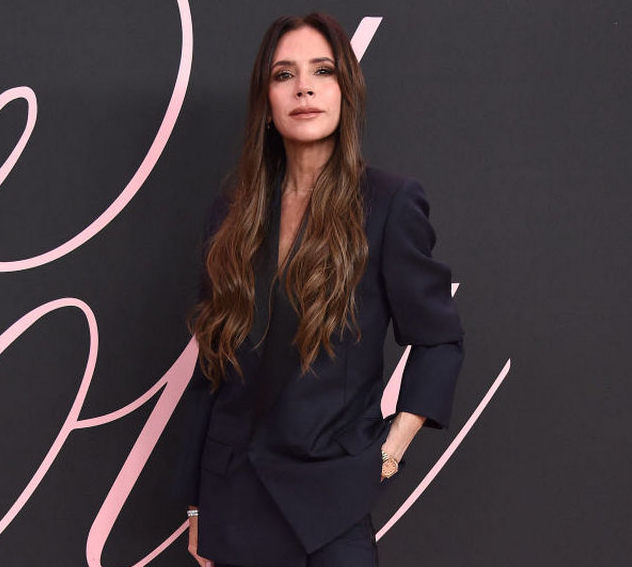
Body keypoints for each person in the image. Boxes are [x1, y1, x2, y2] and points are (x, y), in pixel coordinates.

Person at [176, 11, 465, 567]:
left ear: (345, 91)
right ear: (266, 101)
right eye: (284, 74)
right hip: (233, 501)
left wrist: (387, 455)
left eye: (322, 70)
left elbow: (439, 341)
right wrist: (195, 503)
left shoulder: (389, 203)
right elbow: (211, 370)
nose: (303, 87)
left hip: (330, 506)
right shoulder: (229, 215)